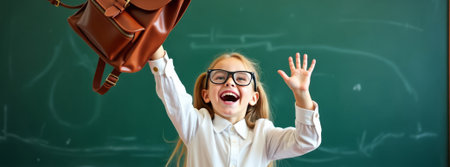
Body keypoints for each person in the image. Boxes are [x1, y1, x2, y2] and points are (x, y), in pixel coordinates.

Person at [148, 45, 321, 167]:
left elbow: (307, 140)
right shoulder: (195, 125)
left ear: (254, 98)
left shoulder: (265, 135)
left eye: (241, 79)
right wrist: (152, 33)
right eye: (220, 77)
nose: (230, 82)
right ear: (206, 95)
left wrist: (301, 94)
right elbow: (169, 87)